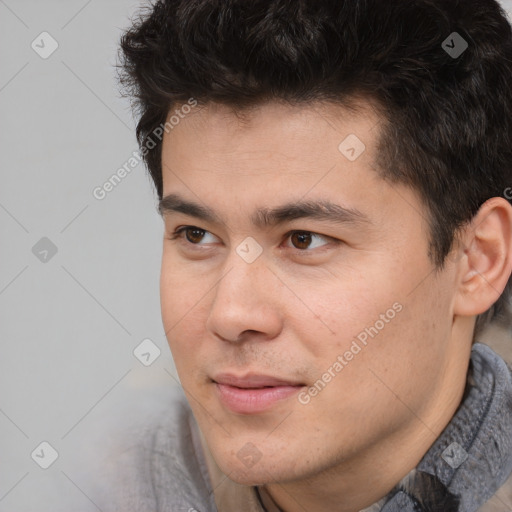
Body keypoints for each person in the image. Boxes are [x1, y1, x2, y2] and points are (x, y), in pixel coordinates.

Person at [100, 0, 512, 510]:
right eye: (196, 235)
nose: (230, 315)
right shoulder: (109, 483)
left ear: (478, 259)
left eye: (304, 240)